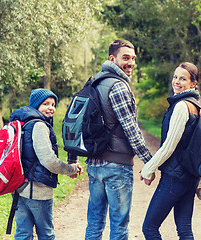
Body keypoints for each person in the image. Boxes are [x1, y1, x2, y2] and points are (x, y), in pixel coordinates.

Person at [67, 39, 153, 240]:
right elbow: (131, 129)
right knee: (119, 226)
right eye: (125, 58)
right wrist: (150, 162)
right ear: (112, 59)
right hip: (117, 166)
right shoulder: (119, 86)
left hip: (95, 165)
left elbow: (75, 122)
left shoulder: (93, 82)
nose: (130, 63)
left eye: (133, 58)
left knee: (95, 222)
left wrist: (73, 158)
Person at [140, 62, 201, 239]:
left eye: (183, 78)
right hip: (190, 178)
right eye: (175, 77)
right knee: (184, 230)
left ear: (193, 83)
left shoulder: (182, 106)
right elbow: (198, 150)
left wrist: (148, 168)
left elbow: (169, 146)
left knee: (150, 228)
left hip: (174, 178)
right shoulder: (198, 108)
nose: (176, 81)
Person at [9, 88, 82, 240]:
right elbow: (48, 160)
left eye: (53, 104)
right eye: (46, 103)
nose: (51, 108)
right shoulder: (39, 125)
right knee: (46, 234)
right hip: (38, 191)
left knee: (23, 234)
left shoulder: (22, 123)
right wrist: (71, 169)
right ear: (36, 105)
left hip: (18, 188)